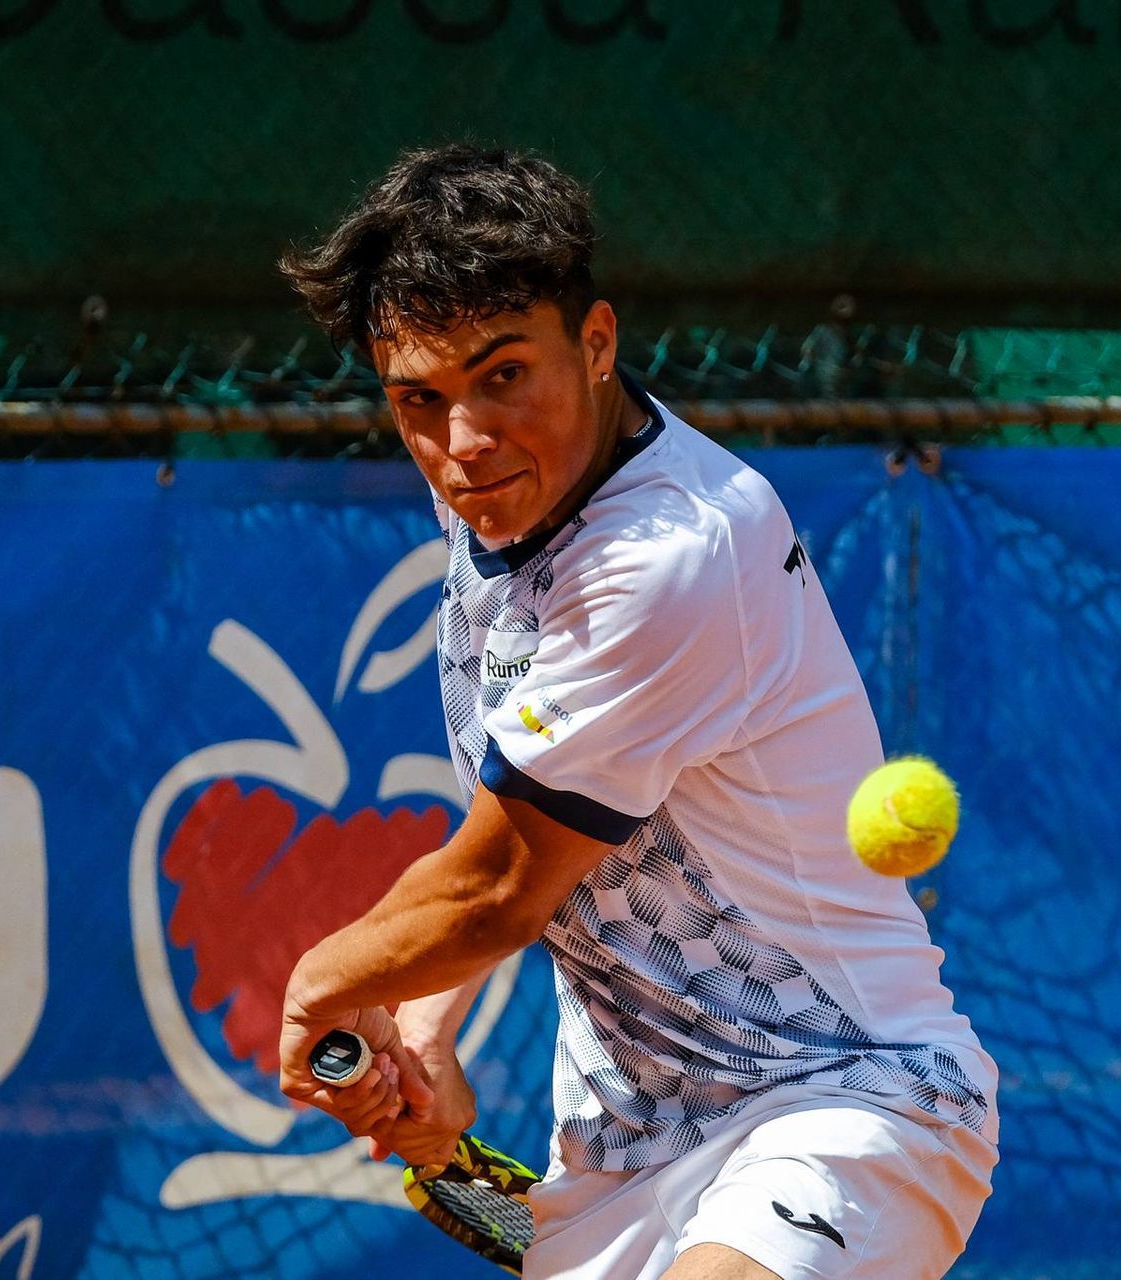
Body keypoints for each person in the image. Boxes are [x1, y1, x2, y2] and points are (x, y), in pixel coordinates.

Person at [274, 143, 998, 1280]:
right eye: (419, 398)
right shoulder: (499, 480)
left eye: (504, 372)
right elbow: (517, 822)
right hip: (614, 1164)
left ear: (597, 343)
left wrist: (329, 982)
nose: (462, 442)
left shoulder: (667, 555)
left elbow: (502, 883)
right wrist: (421, 1021)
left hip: (843, 1095)